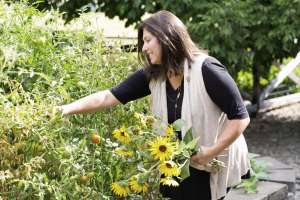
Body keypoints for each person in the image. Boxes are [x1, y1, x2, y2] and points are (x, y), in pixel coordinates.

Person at [59, 10, 250, 200]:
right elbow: (109, 97)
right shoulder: (154, 75)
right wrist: (65, 109)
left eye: (148, 40)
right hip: (175, 160)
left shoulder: (207, 70)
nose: (143, 48)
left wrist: (211, 151)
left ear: (167, 37)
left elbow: (240, 117)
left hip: (211, 158)